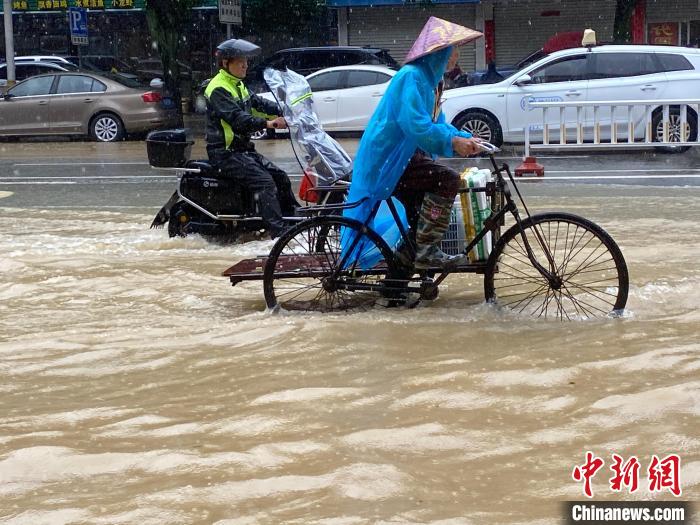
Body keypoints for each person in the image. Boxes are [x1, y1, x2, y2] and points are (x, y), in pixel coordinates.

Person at [344, 16, 484, 270]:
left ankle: (394, 290)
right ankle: (427, 253)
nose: (457, 57)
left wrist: (464, 138)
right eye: (454, 50)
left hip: (405, 157)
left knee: (418, 220)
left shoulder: (431, 82)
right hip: (390, 160)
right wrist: (452, 141)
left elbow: (437, 123)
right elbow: (416, 126)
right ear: (440, 52)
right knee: (448, 180)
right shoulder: (412, 77)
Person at [204, 38, 298, 238]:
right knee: (265, 183)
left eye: (246, 61)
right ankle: (279, 234)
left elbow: (257, 103)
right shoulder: (218, 88)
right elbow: (238, 118)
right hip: (225, 153)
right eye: (240, 62)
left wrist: (287, 110)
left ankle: (293, 220)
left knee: (280, 177)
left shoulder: (238, 84)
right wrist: (269, 124)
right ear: (226, 63)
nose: (246, 65)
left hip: (243, 151)